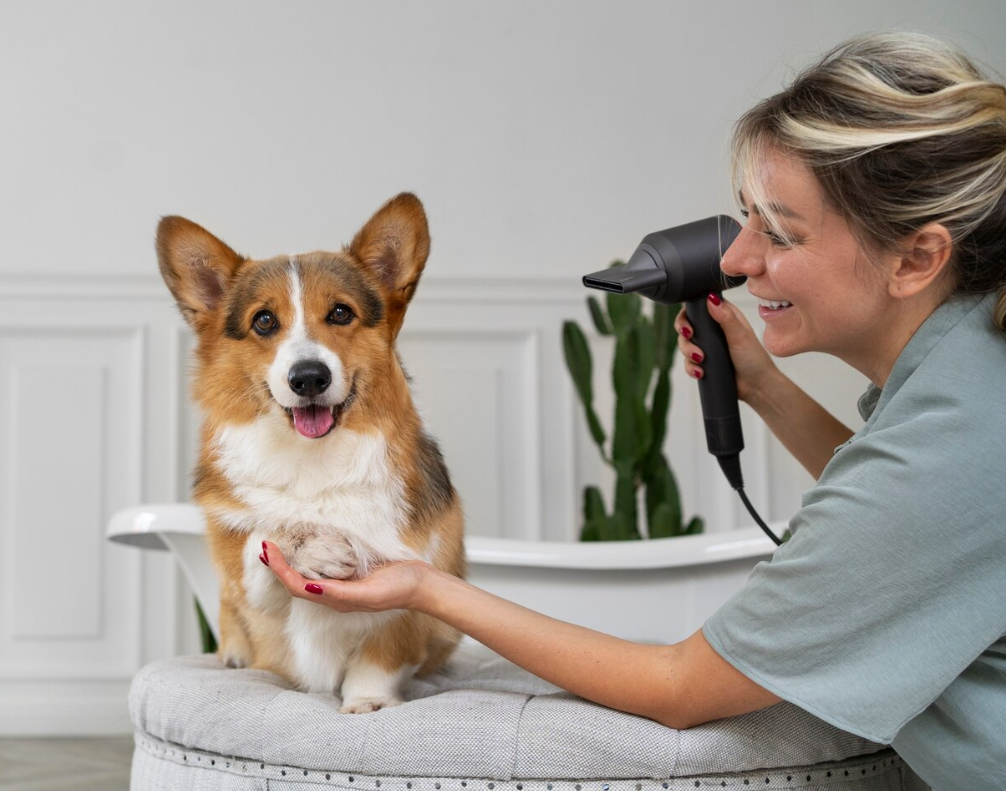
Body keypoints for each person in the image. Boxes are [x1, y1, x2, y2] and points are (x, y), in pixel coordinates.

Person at [262, 32, 1006, 789]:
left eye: (780, 231)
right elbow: (912, 518)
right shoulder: (970, 368)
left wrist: (424, 586)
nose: (740, 259)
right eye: (745, 217)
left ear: (917, 258)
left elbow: (682, 686)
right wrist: (767, 390)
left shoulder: (954, 441)